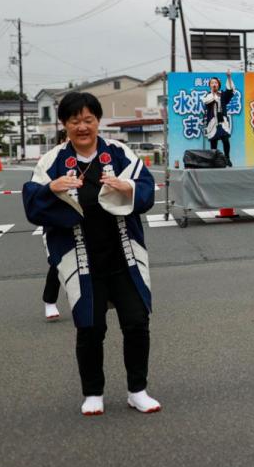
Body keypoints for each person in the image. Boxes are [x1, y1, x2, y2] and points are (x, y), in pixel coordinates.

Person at [21, 91, 160, 416]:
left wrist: (130, 188)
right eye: (74, 120)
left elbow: (146, 186)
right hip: (81, 257)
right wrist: (50, 189)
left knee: (137, 323)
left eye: (88, 119)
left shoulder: (120, 153)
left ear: (98, 121)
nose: (82, 126)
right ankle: (93, 392)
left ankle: (137, 390)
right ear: (64, 124)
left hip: (124, 255)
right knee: (90, 327)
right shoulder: (52, 161)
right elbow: (31, 202)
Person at [43, 128, 68, 320]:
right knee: (57, 262)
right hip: (56, 219)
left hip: (84, 218)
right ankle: (50, 302)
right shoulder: (49, 162)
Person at [203, 70, 235, 164]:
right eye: (212, 83)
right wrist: (213, 94)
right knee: (213, 141)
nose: (214, 84)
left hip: (222, 121)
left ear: (219, 85)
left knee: (225, 139)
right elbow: (207, 102)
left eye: (216, 83)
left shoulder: (223, 95)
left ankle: (227, 158)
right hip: (212, 122)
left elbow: (230, 91)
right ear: (209, 85)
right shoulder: (207, 96)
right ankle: (214, 160)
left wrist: (229, 77)